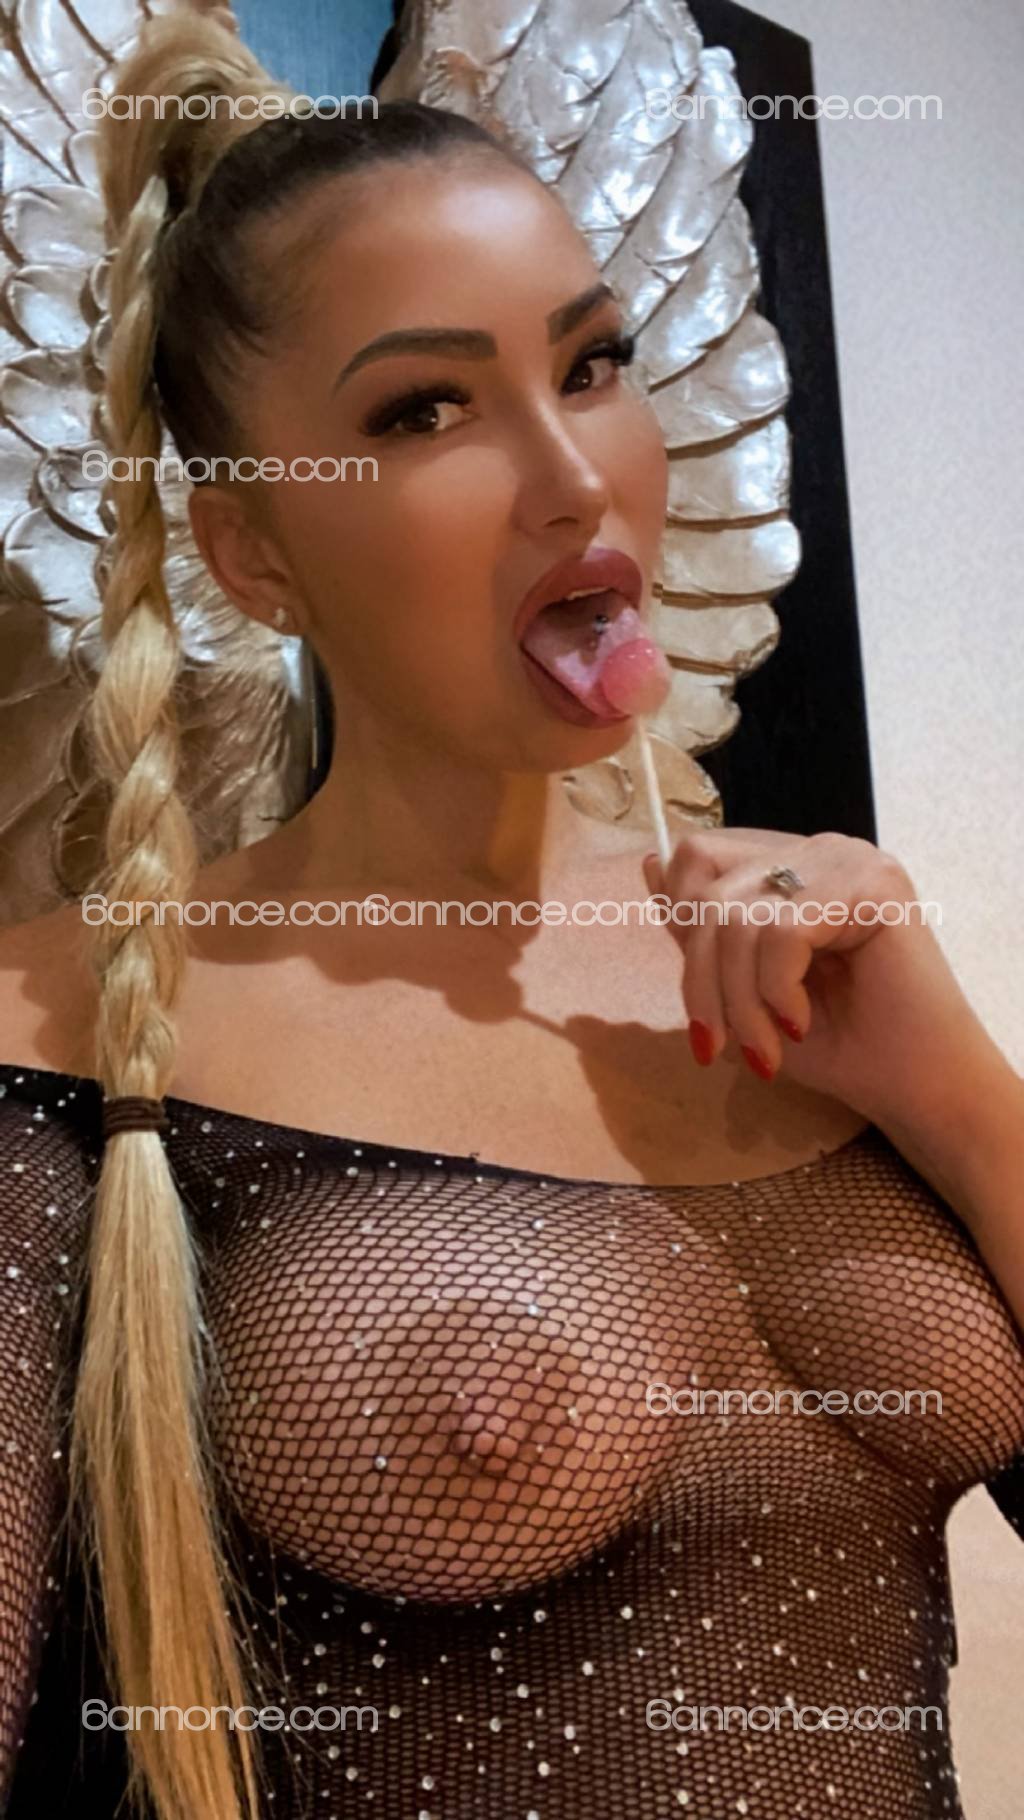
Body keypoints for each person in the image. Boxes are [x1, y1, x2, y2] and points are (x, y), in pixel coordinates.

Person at [1, 12, 1022, 1819]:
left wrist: (947, 1084)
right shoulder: (78, 1028)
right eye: (425, 410)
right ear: (254, 551)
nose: (572, 476)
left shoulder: (818, 961)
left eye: (594, 363)